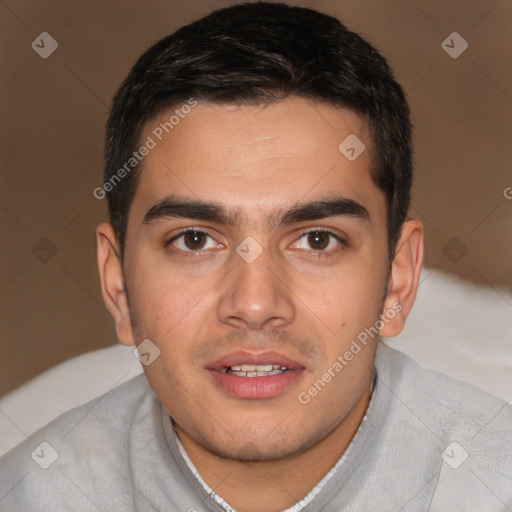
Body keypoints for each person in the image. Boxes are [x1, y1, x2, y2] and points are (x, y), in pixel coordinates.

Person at [1, 2, 510, 511]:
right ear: (117, 285)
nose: (254, 304)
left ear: (398, 279)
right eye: (195, 240)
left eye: (316, 240)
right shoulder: (29, 493)